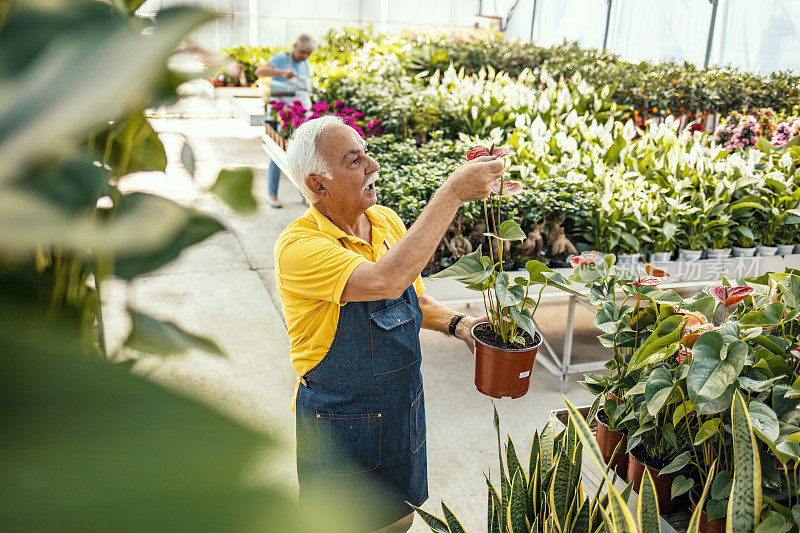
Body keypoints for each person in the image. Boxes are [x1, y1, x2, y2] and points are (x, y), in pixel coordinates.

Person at [274, 115, 503, 532]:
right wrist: (452, 193)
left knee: (400, 520)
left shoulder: (387, 223)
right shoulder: (300, 247)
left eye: (366, 152)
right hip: (341, 422)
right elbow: (384, 281)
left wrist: (461, 325)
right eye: (353, 160)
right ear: (317, 185)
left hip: (401, 408)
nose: (372, 165)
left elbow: (412, 297)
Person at [256, 34, 317, 208]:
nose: (304, 56)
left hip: (298, 115)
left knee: (301, 155)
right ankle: (272, 195)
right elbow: (260, 72)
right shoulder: (281, 59)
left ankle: (304, 194)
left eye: (308, 54)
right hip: (279, 114)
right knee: (276, 154)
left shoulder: (304, 63)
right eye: (302, 51)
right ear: (295, 45)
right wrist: (282, 72)